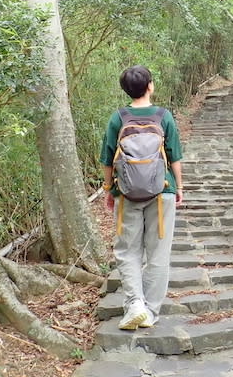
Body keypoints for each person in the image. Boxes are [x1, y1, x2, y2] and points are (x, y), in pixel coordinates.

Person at [100, 65, 183, 330]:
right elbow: (175, 156)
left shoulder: (119, 118)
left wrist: (107, 189)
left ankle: (134, 304)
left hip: (126, 194)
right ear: (150, 86)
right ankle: (150, 311)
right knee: (158, 254)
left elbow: (107, 158)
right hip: (162, 191)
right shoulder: (163, 116)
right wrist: (179, 186)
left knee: (128, 251)